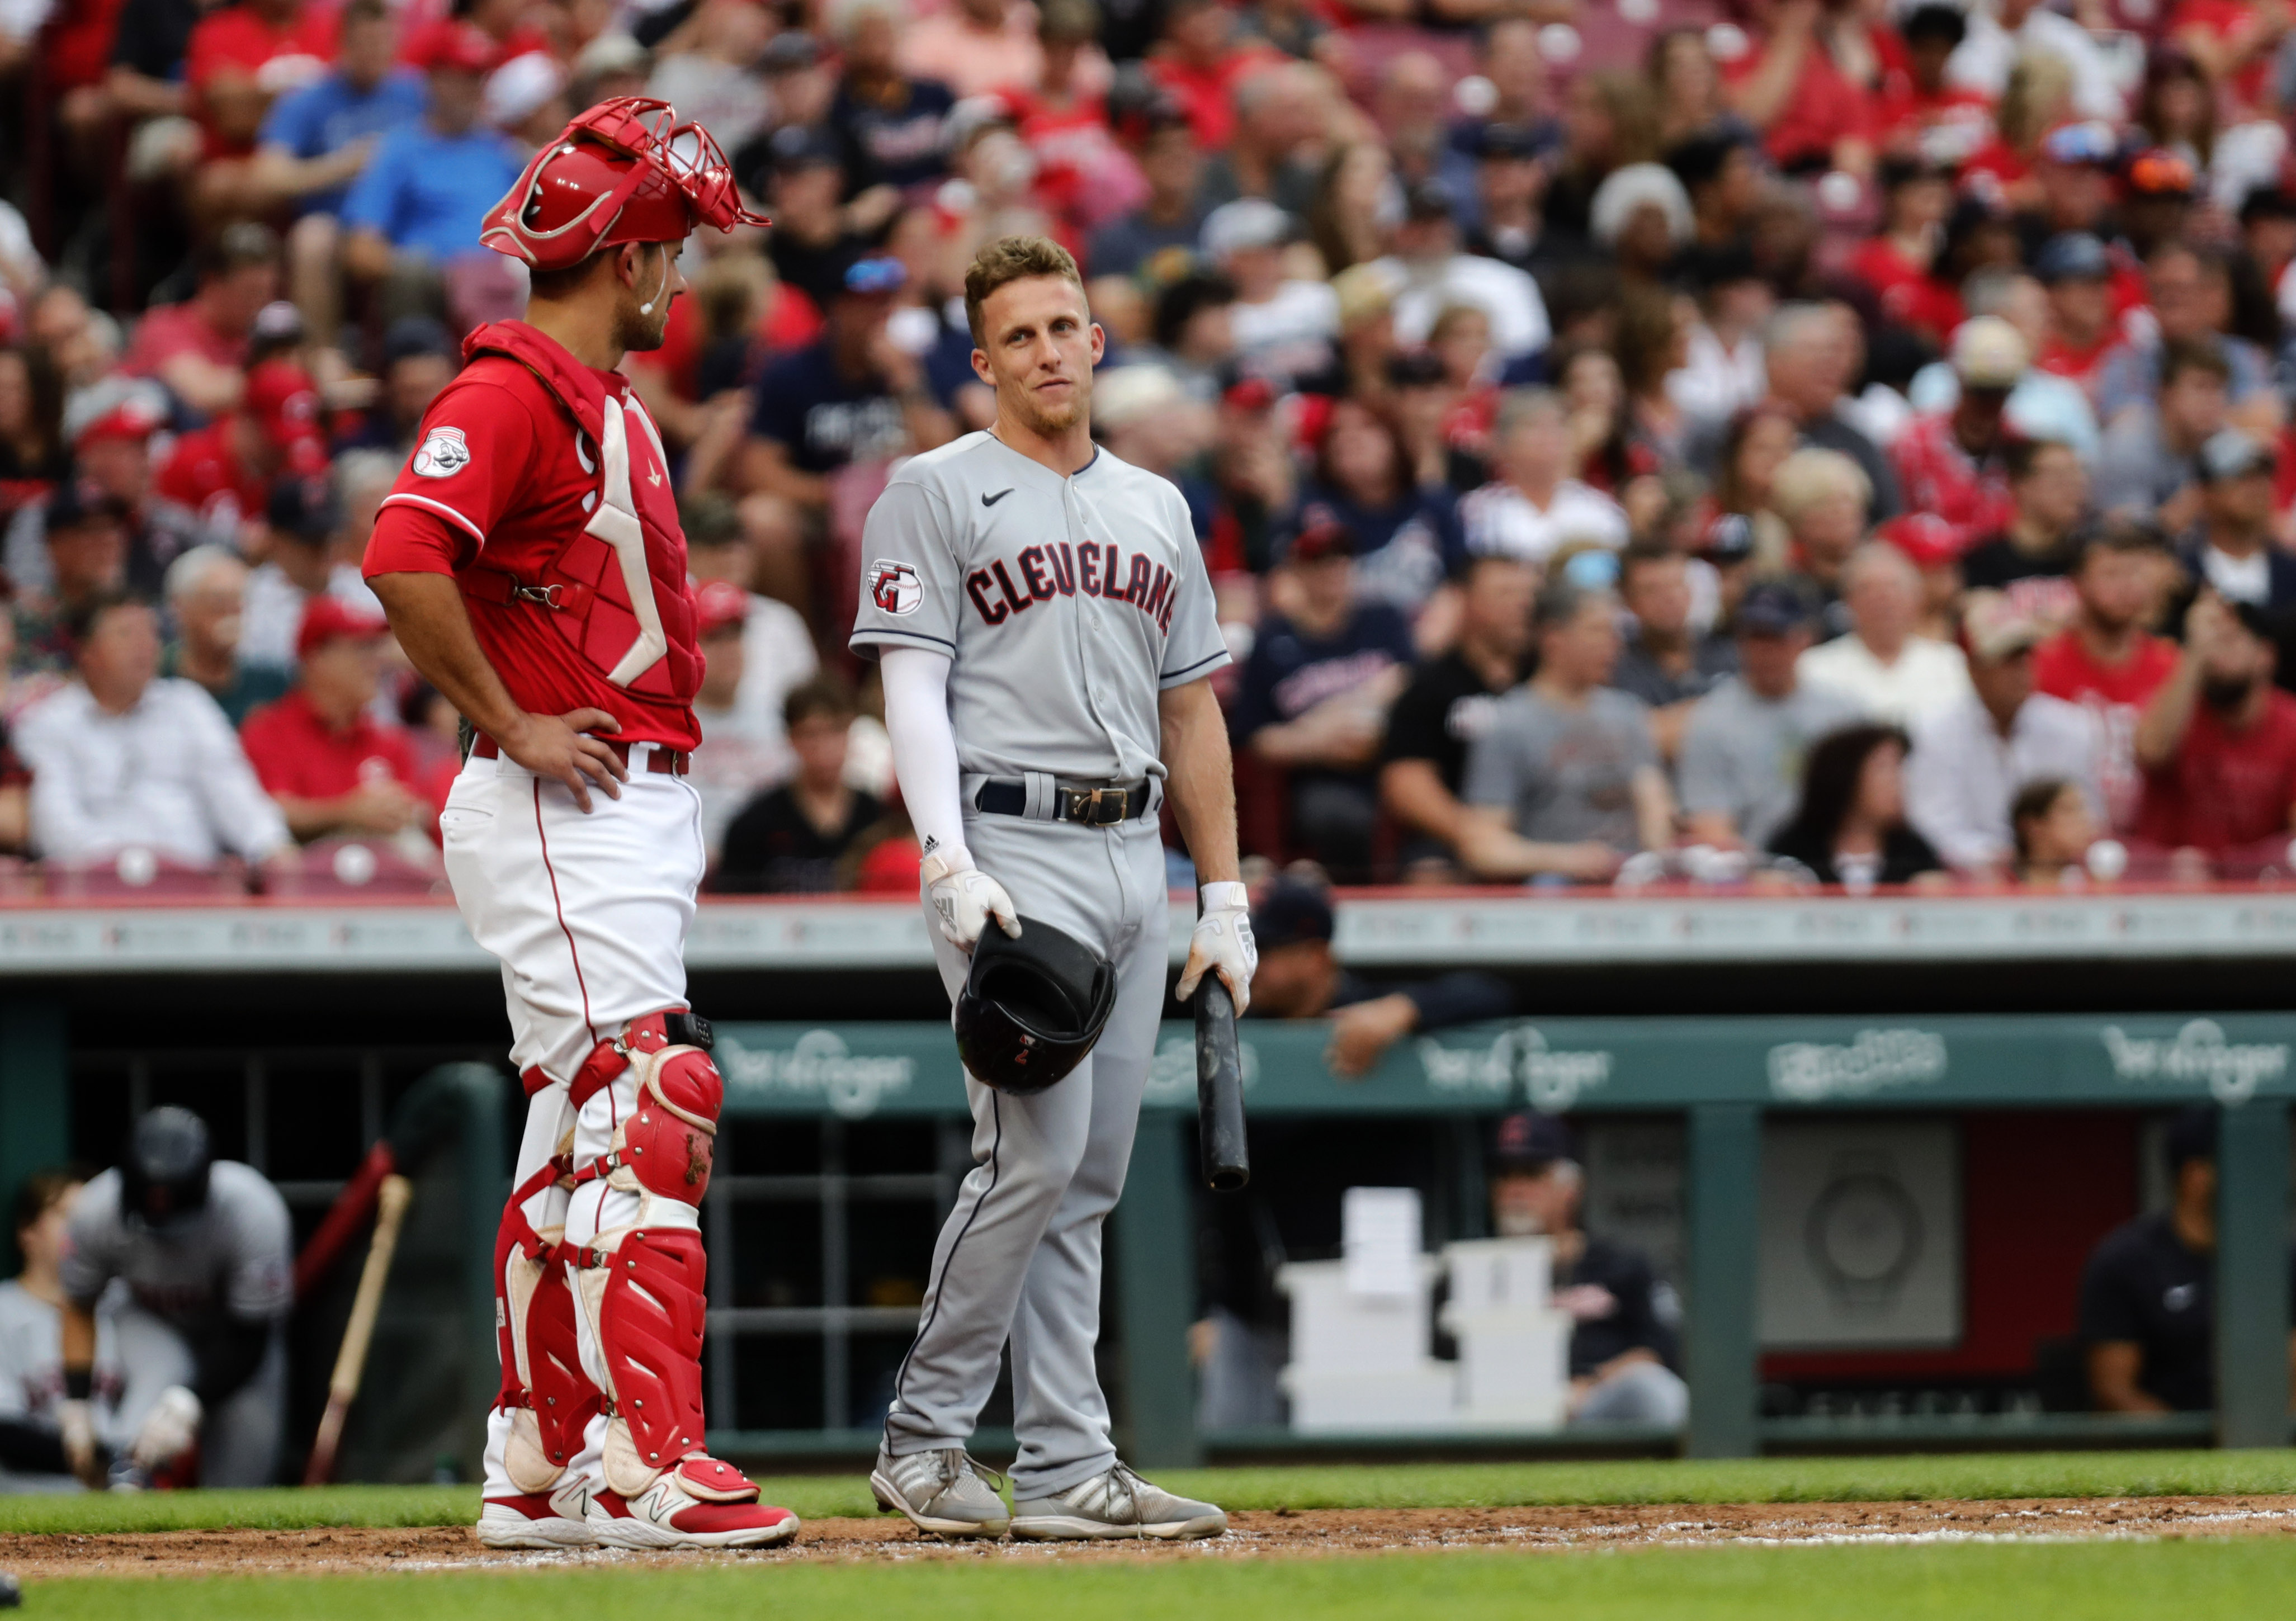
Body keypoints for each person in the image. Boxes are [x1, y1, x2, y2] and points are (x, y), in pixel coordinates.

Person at [360, 97, 796, 1551]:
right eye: (673, 244)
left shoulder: (592, 399)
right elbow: (401, 555)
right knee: (651, 1100)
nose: (683, 271)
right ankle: (650, 1464)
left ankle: (538, 1464)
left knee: (572, 1131)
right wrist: (519, 713)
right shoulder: (515, 389)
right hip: (562, 794)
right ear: (634, 257)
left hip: (605, 800)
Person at [848, 234, 1245, 1542]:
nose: (1046, 351)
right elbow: (908, 682)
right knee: (1027, 1158)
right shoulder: (933, 488)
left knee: (1086, 1176)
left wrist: (1224, 893)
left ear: (1097, 340)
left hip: (1137, 849)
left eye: (1062, 326)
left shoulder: (1155, 506)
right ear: (982, 362)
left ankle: (1070, 1464)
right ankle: (922, 1437)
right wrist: (942, 850)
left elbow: (1190, 711)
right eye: (1017, 335)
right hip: (1011, 843)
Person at [55, 1109, 292, 1490]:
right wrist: (77, 1405)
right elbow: (79, 1305)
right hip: (151, 1321)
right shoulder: (95, 1208)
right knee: (151, 1399)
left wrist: (189, 1402)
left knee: (243, 1478)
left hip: (235, 1339)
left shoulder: (252, 1207)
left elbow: (251, 1335)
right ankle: (126, 1478)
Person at [16, 592, 292, 868]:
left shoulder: (188, 705)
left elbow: (233, 791)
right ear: (88, 652)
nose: (144, 645)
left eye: (150, 633)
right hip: (94, 887)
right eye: (126, 634)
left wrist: (271, 846)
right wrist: (129, 869)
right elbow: (54, 822)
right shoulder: (48, 722)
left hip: (193, 885)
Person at [2080, 1107, 2296, 1413]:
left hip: (2262, 1443)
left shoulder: (2281, 1257)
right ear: (2196, 1175)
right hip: (2163, 1447)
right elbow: (2114, 1391)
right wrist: (2187, 1452)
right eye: (2246, 1163)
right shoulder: (2124, 1260)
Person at [1232, 519, 1415, 880]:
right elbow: (1254, 738)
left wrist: (1340, 713)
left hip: (1390, 761)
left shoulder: (1383, 620)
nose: (1333, 571)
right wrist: (1320, 741)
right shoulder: (1273, 641)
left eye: (1341, 560)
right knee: (1335, 816)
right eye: (1319, 561)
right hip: (1315, 777)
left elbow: (1411, 683)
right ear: (1296, 571)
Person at [1458, 579, 1673, 884]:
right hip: (1553, 893)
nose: (1613, 644)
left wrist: (1657, 853)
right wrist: (1567, 859)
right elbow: (1481, 845)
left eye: (1615, 632)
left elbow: (1652, 800)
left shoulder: (1627, 713)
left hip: (1628, 882)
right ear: (1554, 638)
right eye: (1597, 630)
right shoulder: (1510, 724)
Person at [1486, 1113, 1686, 1429]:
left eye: (1531, 1174)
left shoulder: (1620, 1263)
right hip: (1498, 1408)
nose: (1516, 1190)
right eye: (1506, 1175)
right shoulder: (1475, 1270)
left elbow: (1662, 1349)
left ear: (1570, 1188)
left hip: (1592, 1405)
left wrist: (1592, 1382)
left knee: (1653, 1389)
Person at [339, 21, 527, 325]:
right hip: (432, 290)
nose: (473, 88)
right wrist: (442, 274)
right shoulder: (400, 149)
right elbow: (361, 251)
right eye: (463, 77)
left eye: (478, 77)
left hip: (504, 284)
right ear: (435, 81)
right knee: (413, 276)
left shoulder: (502, 150)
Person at [1905, 592, 2100, 874]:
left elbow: (2087, 820)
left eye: (2024, 656)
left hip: (2057, 880)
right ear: (1973, 668)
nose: (2020, 671)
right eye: (2005, 660)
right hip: (1971, 889)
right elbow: (1935, 827)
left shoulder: (2071, 728)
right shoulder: (1934, 731)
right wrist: (2006, 861)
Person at [1245, 878, 1510, 1079]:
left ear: (1315, 957)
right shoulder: (1240, 1018)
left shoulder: (1369, 1004)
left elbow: (1491, 992)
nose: (1251, 964)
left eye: (1265, 952)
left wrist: (1406, 1009)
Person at [1378, 554, 1536, 880]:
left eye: (1528, 595)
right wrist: (1475, 834)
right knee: (1429, 873)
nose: (1522, 605)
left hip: (1546, 824)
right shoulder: (1430, 685)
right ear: (1465, 601)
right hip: (1457, 835)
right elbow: (1406, 782)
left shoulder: (1548, 675)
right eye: (1505, 593)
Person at [1678, 581, 1865, 852]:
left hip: (1833, 868)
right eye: (1756, 637)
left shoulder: (1843, 714)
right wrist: (1759, 876)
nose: (1766, 651)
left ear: (1804, 639)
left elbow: (1865, 814)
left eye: (1777, 637)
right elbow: (1711, 828)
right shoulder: (1711, 720)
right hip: (1753, 875)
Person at [238, 597, 428, 844]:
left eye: (375, 648)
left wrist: (411, 813)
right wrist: (347, 814)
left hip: (382, 867)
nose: (376, 663)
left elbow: (419, 809)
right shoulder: (268, 730)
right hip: (307, 871)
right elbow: (267, 813)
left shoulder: (390, 739)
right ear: (317, 658)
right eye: (362, 648)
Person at [2131, 594, 2296, 872]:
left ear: (2265, 655)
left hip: (2254, 890)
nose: (2214, 654)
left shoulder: (2290, 725)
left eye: (2228, 641)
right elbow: (2151, 751)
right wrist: (2193, 655)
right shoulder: (2179, 707)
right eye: (2209, 643)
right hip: (2166, 883)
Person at [2033, 523, 2181, 832]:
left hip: (2154, 836)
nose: (2127, 587)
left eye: (2136, 574)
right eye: (2112, 574)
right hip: (2069, 833)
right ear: (2079, 583)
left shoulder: (2172, 667)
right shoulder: (2043, 665)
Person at [0, 1168, 113, 1491]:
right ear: (27, 1232)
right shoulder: (4, 1310)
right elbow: (5, 1430)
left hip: (121, 1509)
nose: (81, 1228)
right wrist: (106, 1458)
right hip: (28, 1508)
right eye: (66, 1215)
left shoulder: (120, 1308)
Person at [717, 673, 882, 893]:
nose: (825, 747)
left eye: (835, 731)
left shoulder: (875, 817)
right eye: (811, 734)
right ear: (791, 738)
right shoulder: (754, 825)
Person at [1796, 544, 1974, 730]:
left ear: (1916, 598)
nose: (1883, 599)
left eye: (1894, 588)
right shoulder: (1813, 669)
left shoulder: (1953, 664)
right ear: (1847, 601)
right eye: (1868, 589)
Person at [1887, 316, 2028, 551]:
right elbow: (1895, 524)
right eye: (1980, 391)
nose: (1989, 405)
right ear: (1959, 382)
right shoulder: (1912, 444)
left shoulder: (2020, 445)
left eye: (2000, 392)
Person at [1459, 389, 1631, 566]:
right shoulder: (1478, 511)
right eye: (1533, 426)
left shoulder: (1601, 508)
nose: (1548, 437)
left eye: (1557, 426)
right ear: (1503, 442)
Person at [1766, 723, 1944, 891]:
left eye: (1900, 768)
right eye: (1884, 768)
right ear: (1845, 774)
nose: (1898, 781)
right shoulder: (1791, 851)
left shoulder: (1916, 855)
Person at [1610, 544, 1737, 762]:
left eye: (1676, 585)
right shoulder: (1615, 665)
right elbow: (1634, 742)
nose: (1669, 598)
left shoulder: (1727, 652)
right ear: (1628, 600)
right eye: (1651, 590)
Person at [2094, 339, 2231, 529]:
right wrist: (2174, 517)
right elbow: (2120, 533)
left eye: (2218, 389)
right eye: (2200, 387)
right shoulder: (2128, 445)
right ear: (2166, 392)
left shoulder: (2220, 442)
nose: (2211, 401)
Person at [1958, 437, 2091, 627]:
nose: (2075, 486)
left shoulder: (2087, 556)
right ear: (2019, 484)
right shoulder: (1983, 562)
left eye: (2078, 473)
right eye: (2059, 475)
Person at [2176, 428, 2296, 615]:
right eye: (2242, 477)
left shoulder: (2290, 572)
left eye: (2264, 475)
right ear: (2206, 492)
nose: (2258, 487)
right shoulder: (2180, 573)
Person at [2011, 777, 2100, 885]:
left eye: (2082, 809)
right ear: (2033, 826)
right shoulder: (1998, 884)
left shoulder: (2093, 881)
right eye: (2069, 810)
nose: (2086, 819)